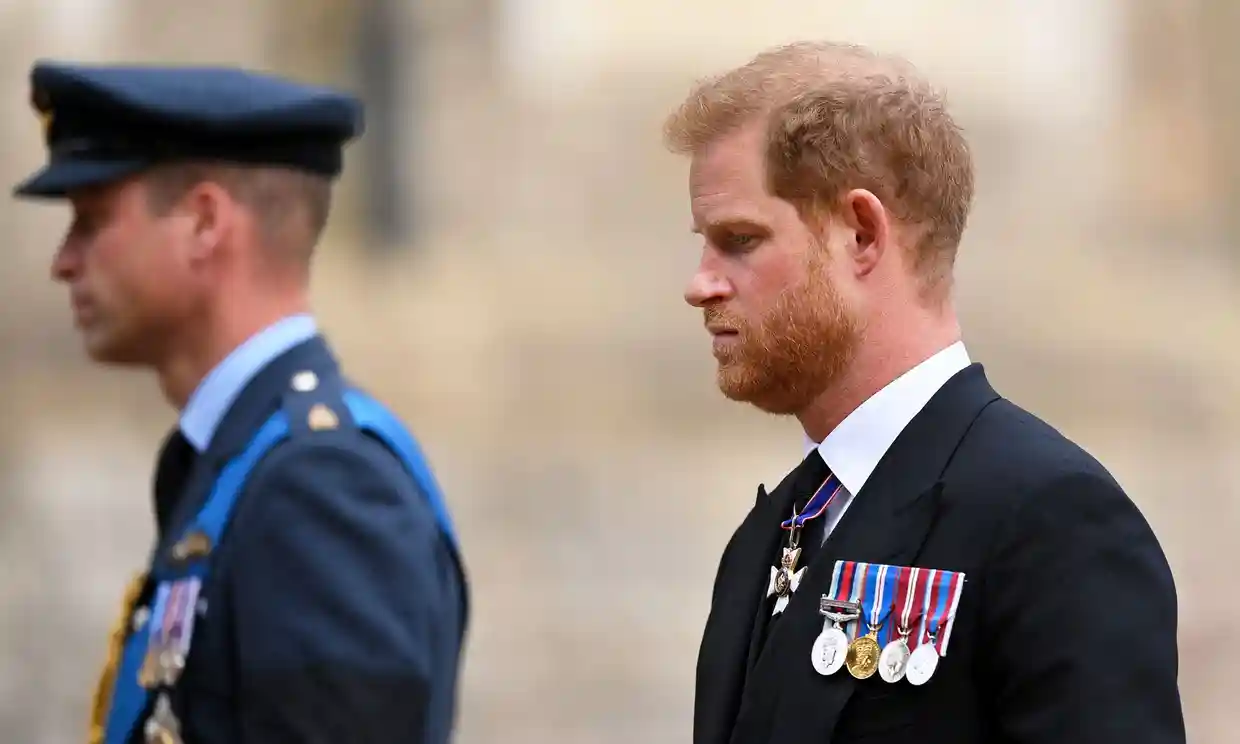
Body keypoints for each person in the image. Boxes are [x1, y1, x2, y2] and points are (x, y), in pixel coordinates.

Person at [663, 41, 1185, 744]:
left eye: (739, 240)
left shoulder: (1049, 521)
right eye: (705, 243)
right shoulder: (773, 535)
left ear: (861, 234)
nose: (701, 284)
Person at [12, 61, 468, 744]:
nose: (64, 260)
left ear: (203, 223)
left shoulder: (320, 486)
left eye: (91, 219)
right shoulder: (242, 461)